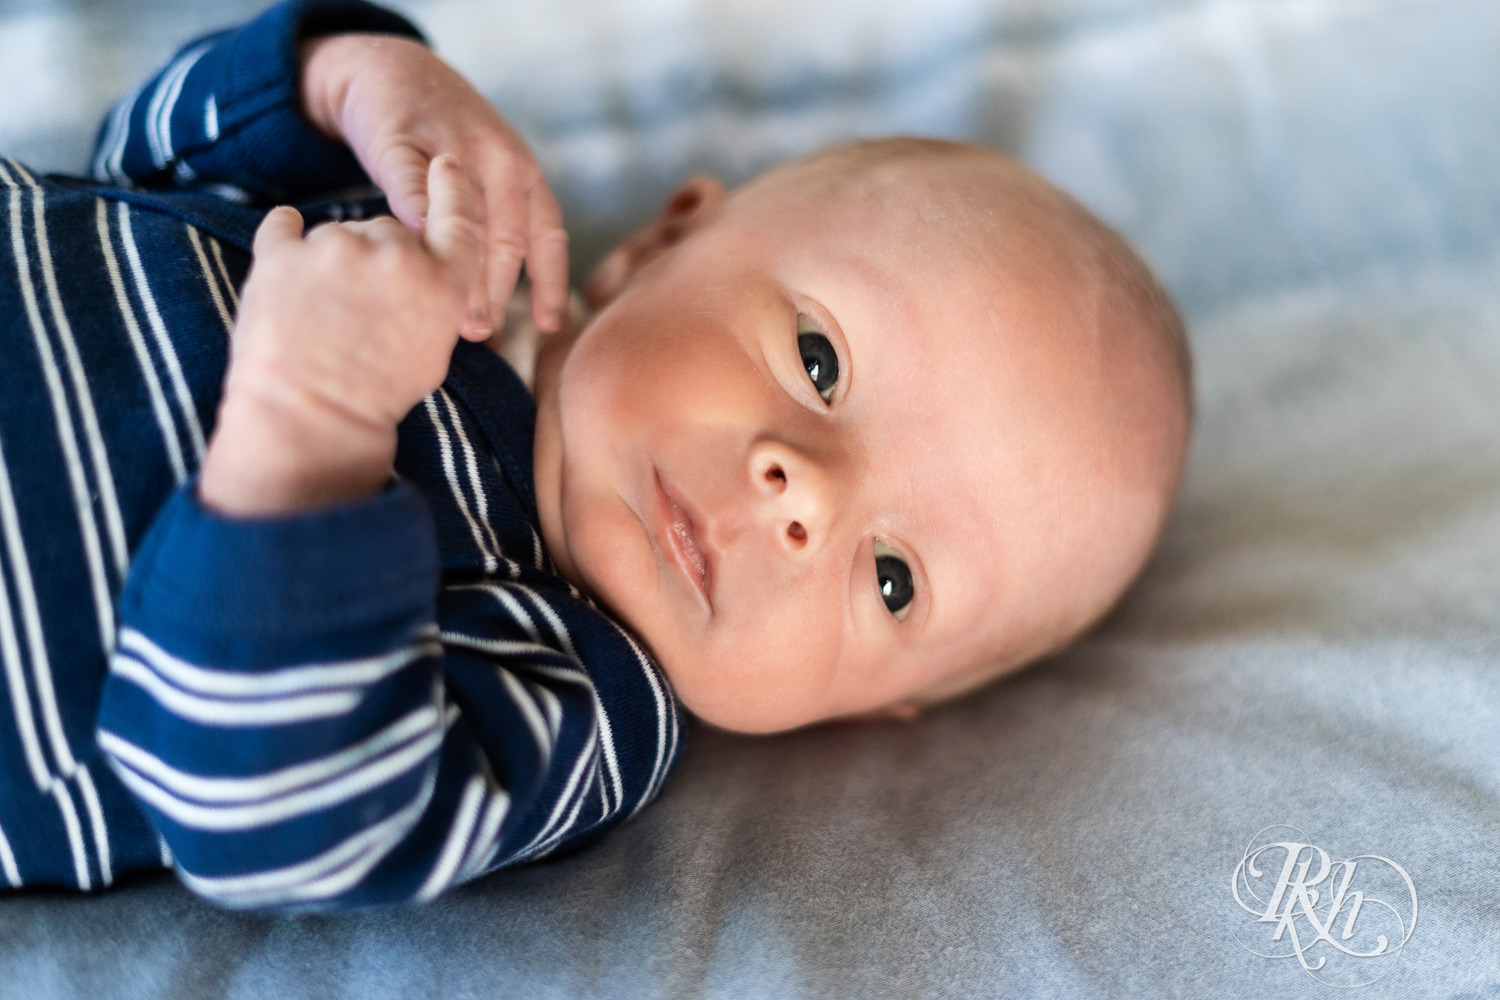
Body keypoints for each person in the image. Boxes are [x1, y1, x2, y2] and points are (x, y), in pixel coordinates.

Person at [0, 0, 1190, 909]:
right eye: (818, 362)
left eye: (894, 580)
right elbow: (142, 161)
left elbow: (271, 815)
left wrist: (308, 425)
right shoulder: (450, 218)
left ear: (864, 708)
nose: (807, 498)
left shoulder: (582, 694)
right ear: (664, 242)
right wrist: (352, 81)